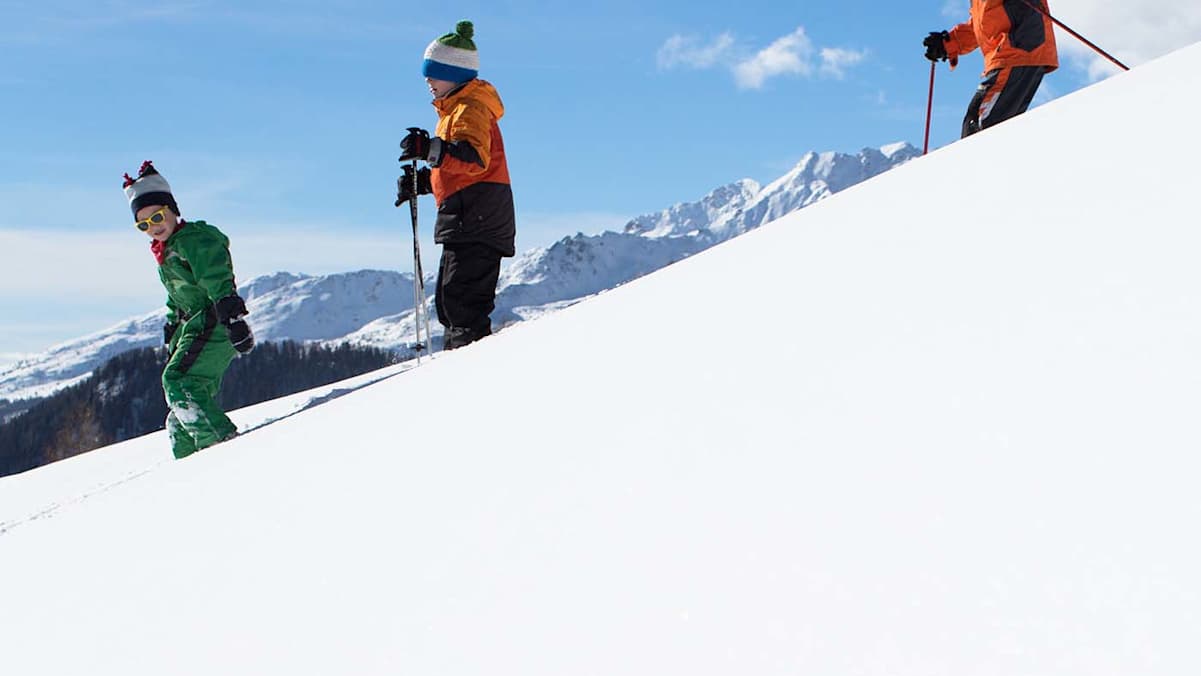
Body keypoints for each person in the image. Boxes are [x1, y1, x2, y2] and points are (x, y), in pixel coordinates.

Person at [395, 20, 516, 350]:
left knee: (462, 303)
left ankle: (468, 367)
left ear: (456, 72)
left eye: (434, 73)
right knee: (450, 302)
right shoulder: (453, 112)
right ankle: (458, 363)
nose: (428, 81)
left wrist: (431, 150)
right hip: (467, 218)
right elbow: (458, 169)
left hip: (477, 220)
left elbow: (475, 160)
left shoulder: (469, 108)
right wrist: (424, 182)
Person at [122, 161, 255, 459]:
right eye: (143, 224)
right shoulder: (168, 250)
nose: (153, 227)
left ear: (172, 209)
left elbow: (215, 274)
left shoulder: (193, 240)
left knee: (178, 383)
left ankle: (223, 449)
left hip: (212, 320)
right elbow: (178, 295)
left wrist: (232, 315)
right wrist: (172, 325)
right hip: (193, 326)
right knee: (180, 416)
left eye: (156, 217)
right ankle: (188, 469)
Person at [923, 1, 1058, 137]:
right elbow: (983, 24)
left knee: (980, 125)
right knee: (984, 125)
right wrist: (948, 43)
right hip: (1014, 53)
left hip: (1017, 51)